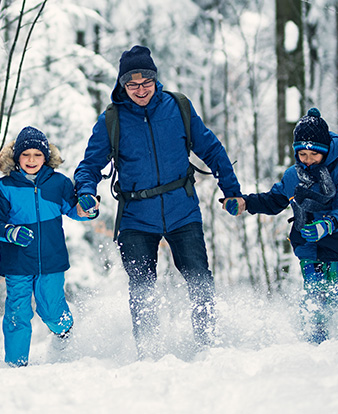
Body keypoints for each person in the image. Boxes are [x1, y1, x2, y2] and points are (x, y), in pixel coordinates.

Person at [73, 45, 244, 358]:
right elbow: (89, 165)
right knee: (142, 287)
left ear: (156, 79)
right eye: (132, 84)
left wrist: (231, 190)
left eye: (146, 82)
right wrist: (86, 191)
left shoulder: (177, 107)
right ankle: (148, 352)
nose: (140, 90)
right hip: (136, 217)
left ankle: (208, 346)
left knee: (200, 280)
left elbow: (213, 150)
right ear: (122, 86)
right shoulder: (112, 119)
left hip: (182, 210)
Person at [230, 108, 338, 344]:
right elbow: (274, 200)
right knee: (315, 292)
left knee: (337, 298)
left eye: (314, 155)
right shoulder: (293, 176)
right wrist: (245, 202)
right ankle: (314, 339)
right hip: (308, 247)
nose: (308, 160)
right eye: (302, 154)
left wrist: (326, 225)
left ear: (326, 151)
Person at [0, 126, 94, 367]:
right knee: (17, 312)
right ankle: (15, 364)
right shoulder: (4, 187)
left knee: (51, 309)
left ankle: (65, 335)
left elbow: (75, 210)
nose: (31, 160)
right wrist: (9, 232)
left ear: (46, 157)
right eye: (26, 155)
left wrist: (88, 208)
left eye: (37, 155)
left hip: (51, 261)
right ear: (17, 158)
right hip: (17, 263)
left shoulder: (59, 184)